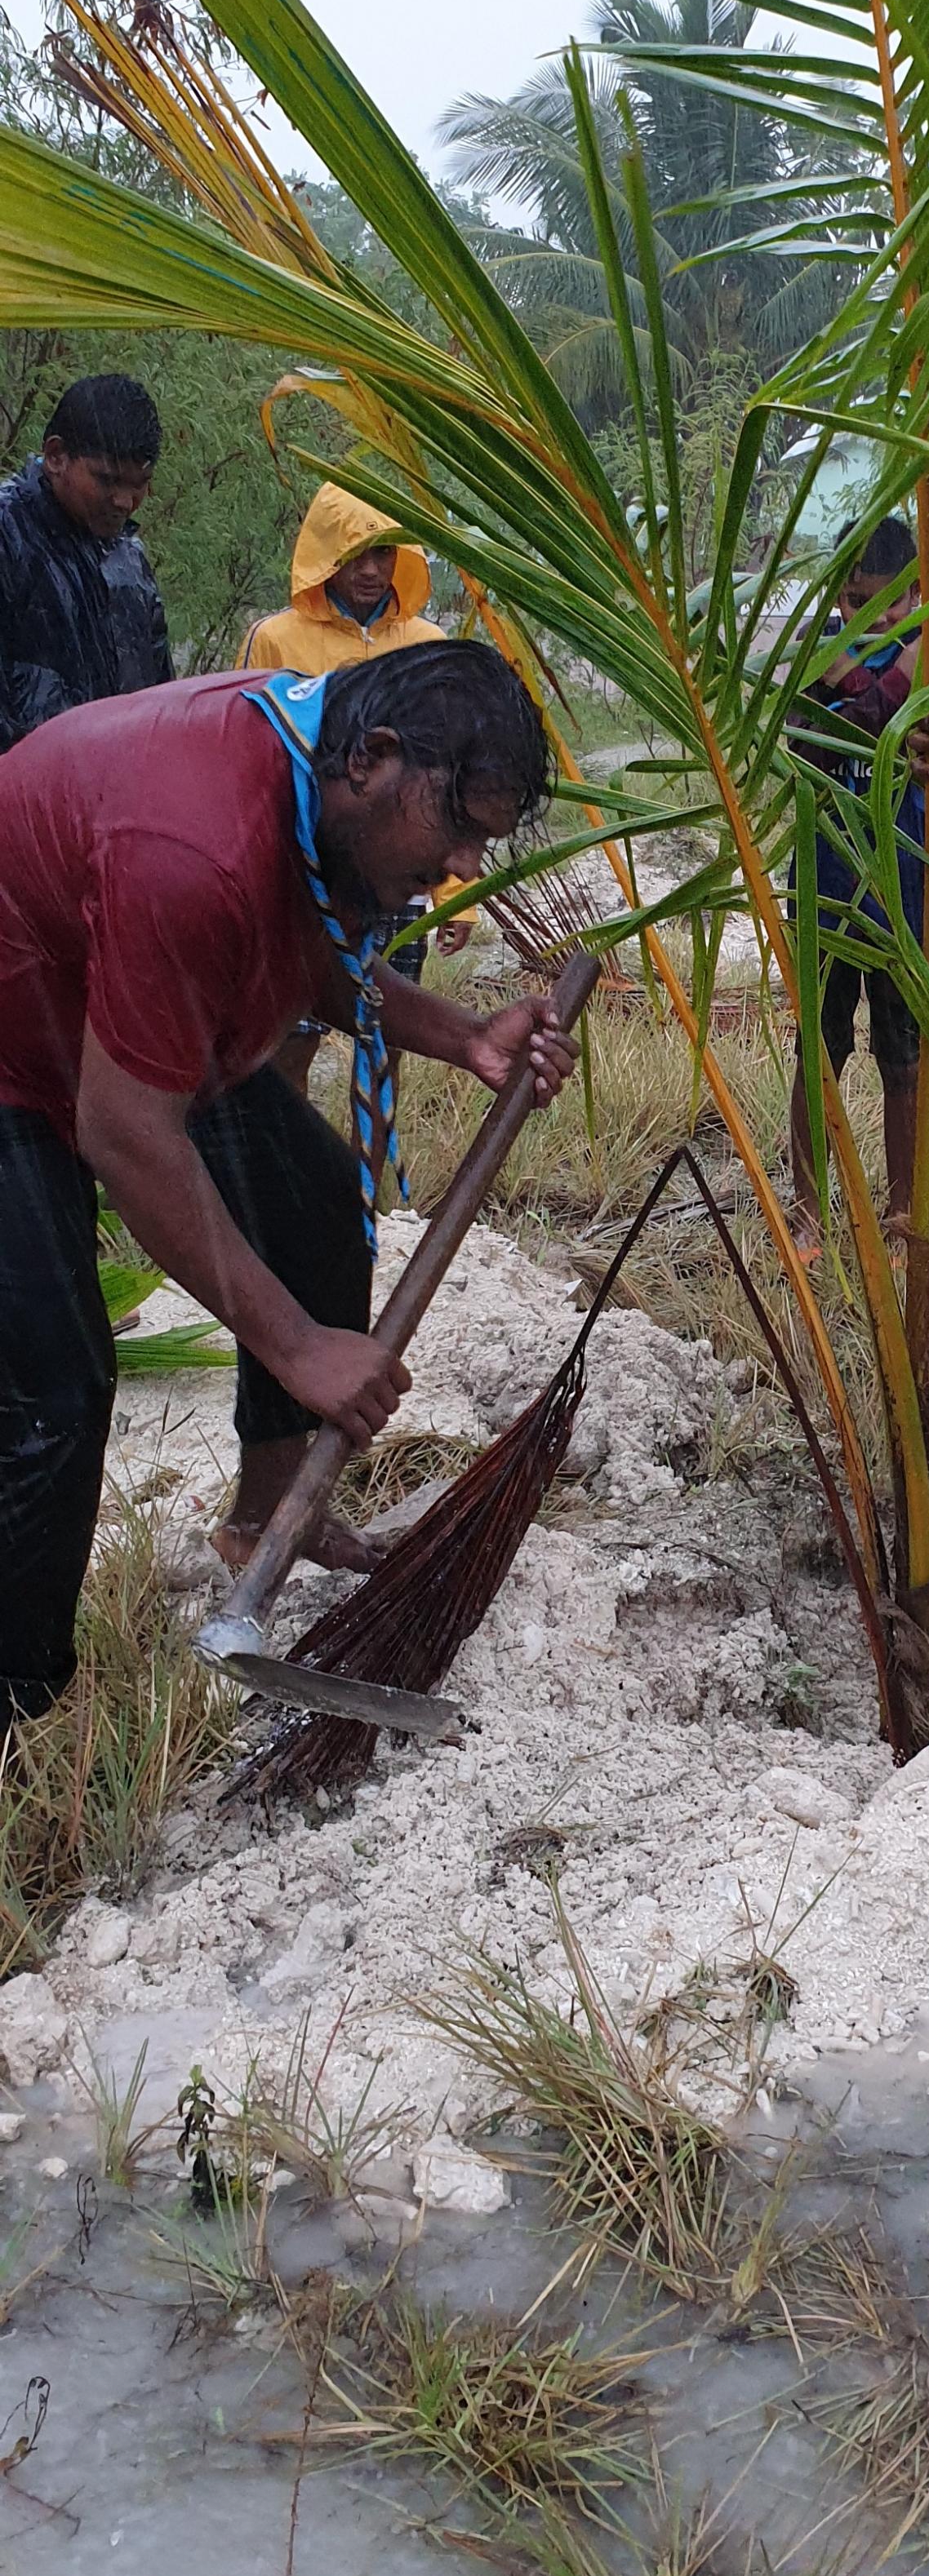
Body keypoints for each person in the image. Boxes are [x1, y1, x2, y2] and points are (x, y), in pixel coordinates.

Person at [0, 641, 576, 1731]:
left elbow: (319, 956)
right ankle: (20, 1709)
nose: (459, 865)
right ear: (376, 757)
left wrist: (466, 1037)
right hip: (18, 1044)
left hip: (132, 1002)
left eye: (481, 843)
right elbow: (126, 1134)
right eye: (456, 830)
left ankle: (269, 1527)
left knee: (315, 1203)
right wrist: (296, 1344)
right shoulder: (192, 842)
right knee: (52, 1389)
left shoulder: (316, 782)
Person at [237, 482, 474, 1093]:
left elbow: (447, 779)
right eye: (353, 556)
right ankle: (285, 1177)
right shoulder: (277, 640)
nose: (371, 571)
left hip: (396, 876)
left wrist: (454, 895)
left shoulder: (428, 647)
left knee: (387, 1037)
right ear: (324, 558)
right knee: (287, 1041)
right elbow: (249, 762)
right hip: (302, 870)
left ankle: (371, 1185)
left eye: (384, 553)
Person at [788, 516, 926, 1251]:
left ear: (911, 594)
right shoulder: (817, 648)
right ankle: (809, 1212)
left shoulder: (928, 647)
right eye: (851, 598)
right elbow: (804, 733)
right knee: (821, 1049)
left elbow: (882, 717)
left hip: (903, 886)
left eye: (883, 602)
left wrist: (852, 684)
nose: (863, 614)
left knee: (902, 1054)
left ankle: (902, 1214)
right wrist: (857, 693)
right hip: (826, 881)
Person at [0, 374, 171, 752]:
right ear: (57, 456)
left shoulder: (128, 556)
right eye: (107, 480)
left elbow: (160, 692)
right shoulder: (8, 536)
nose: (124, 502)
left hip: (112, 790)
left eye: (139, 484)